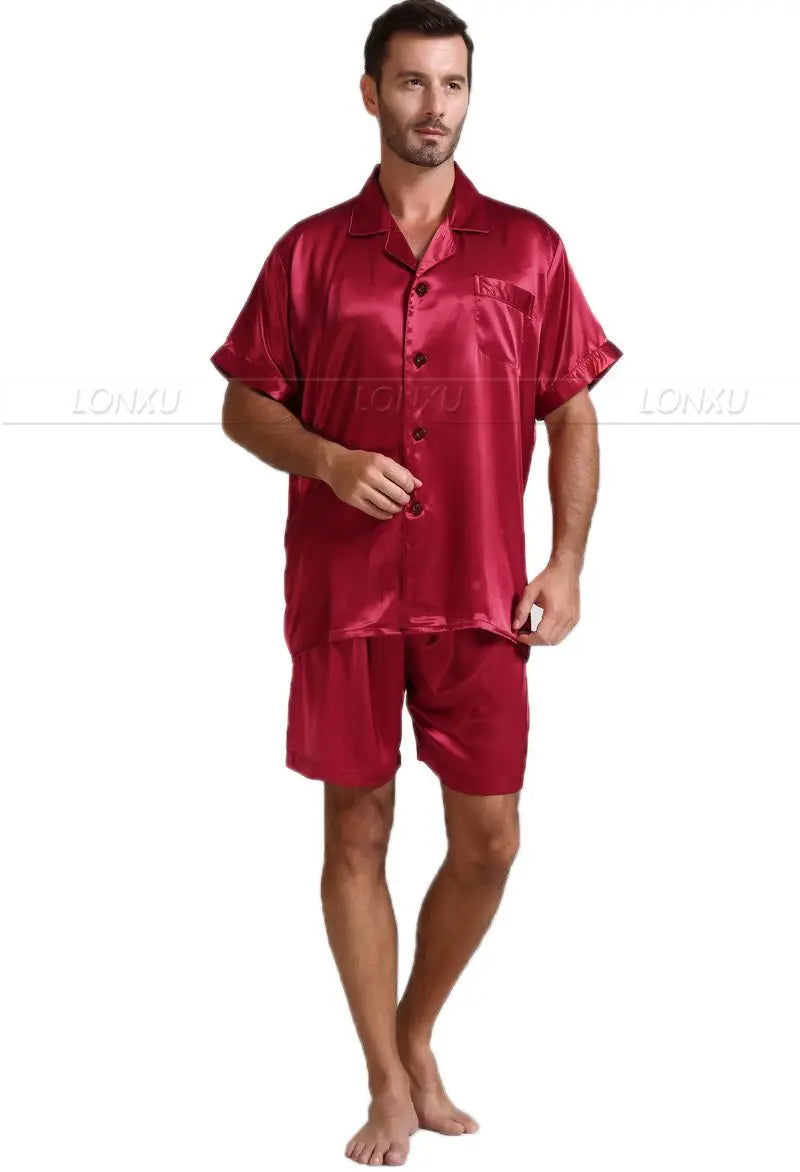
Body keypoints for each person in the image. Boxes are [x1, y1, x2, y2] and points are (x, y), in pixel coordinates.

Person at [210, 1, 622, 1164]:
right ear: (368, 93)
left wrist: (565, 562)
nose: (432, 106)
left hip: (482, 593)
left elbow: (571, 412)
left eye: (451, 84)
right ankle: (388, 1080)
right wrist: (328, 459)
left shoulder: (528, 249)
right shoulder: (306, 252)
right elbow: (242, 402)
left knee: (489, 837)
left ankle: (414, 1029)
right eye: (409, 83)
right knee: (357, 826)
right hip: (342, 593)